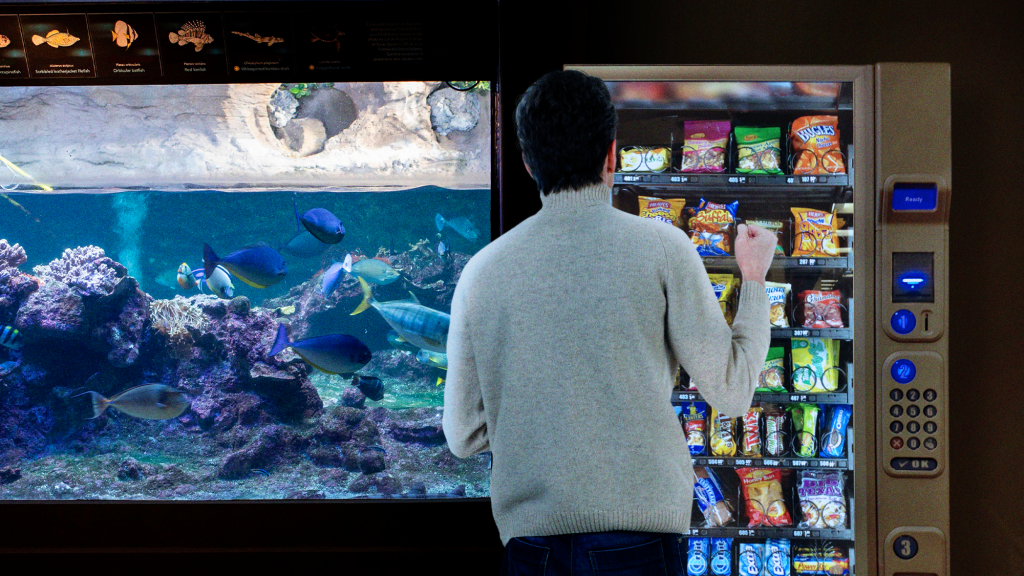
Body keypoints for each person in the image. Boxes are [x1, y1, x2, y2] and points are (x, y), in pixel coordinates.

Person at [442, 69, 777, 574]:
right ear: (611, 155)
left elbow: (462, 434)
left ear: (529, 164)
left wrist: (549, 423)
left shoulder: (481, 272)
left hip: (532, 545)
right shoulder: (664, 248)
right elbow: (731, 392)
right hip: (643, 536)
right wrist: (753, 279)